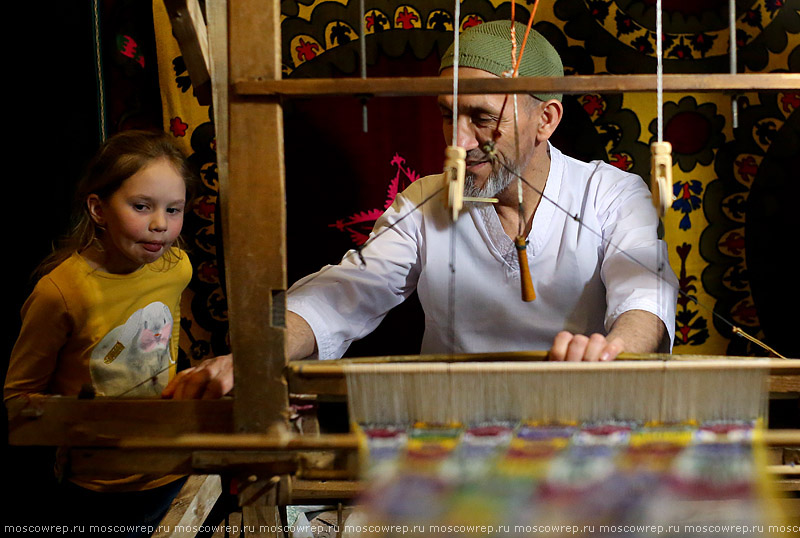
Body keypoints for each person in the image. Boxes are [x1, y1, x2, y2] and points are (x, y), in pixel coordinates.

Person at [164, 20, 678, 398]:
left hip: (581, 421)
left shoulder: (612, 194)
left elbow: (645, 293)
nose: (458, 140)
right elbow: (345, 291)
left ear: (545, 119)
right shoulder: (423, 202)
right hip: (455, 432)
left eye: (480, 117)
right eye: (446, 115)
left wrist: (612, 351)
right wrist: (260, 351)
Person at [5, 130, 196, 532]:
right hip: (100, 489)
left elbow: (166, 349)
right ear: (98, 209)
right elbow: (19, 400)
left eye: (174, 209)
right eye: (142, 206)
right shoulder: (60, 292)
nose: (161, 224)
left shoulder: (177, 266)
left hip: (173, 469)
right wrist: (91, 423)